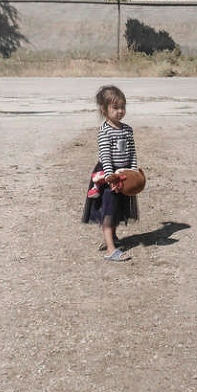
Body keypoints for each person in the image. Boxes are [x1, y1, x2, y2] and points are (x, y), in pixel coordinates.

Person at [82, 84, 139, 261]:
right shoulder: (104, 131)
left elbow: (132, 153)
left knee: (119, 208)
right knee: (109, 209)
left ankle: (112, 238)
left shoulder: (127, 130)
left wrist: (133, 172)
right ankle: (111, 250)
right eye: (115, 108)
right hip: (108, 176)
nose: (120, 111)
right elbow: (105, 156)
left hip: (124, 175)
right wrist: (110, 177)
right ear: (104, 109)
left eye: (123, 107)